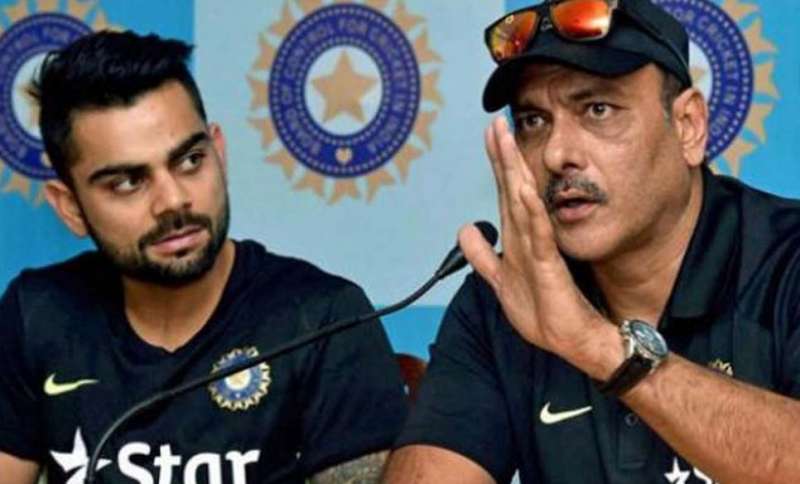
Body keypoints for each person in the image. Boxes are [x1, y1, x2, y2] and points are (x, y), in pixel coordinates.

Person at [384, 0, 800, 483]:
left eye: (598, 110)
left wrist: (594, 345)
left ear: (689, 126)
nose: (557, 154)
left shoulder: (785, 258)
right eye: (533, 121)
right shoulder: (508, 292)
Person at [0, 30, 407, 484]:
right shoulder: (37, 313)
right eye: (128, 182)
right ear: (71, 207)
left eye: (190, 160)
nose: (173, 200)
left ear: (219, 151)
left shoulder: (324, 319)